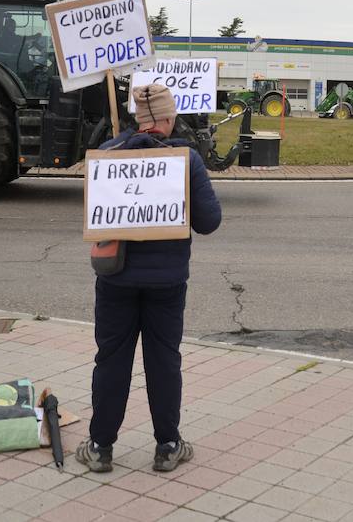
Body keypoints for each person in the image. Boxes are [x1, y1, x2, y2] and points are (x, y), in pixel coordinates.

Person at [75, 82, 222, 475]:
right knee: (164, 361)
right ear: (170, 119)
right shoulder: (185, 159)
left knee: (111, 361)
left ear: (136, 119)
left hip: (115, 279)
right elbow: (210, 222)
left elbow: (96, 215)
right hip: (167, 283)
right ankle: (168, 446)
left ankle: (101, 447)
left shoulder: (107, 156)